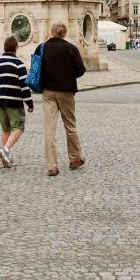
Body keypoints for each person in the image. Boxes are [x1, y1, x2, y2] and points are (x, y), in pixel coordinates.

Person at [38, 22, 86, 177]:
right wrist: (68, 76)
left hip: (48, 91)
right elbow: (80, 69)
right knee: (70, 125)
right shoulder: (71, 48)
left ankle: (52, 166)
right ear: (64, 33)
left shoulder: (41, 48)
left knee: (49, 129)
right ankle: (75, 158)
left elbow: (35, 69)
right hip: (66, 90)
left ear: (51, 32)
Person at [0, 36, 34, 169]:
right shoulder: (19, 64)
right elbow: (24, 86)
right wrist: (29, 103)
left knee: (5, 129)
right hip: (14, 101)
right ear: (15, 48)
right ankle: (6, 149)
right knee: (19, 127)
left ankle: (7, 157)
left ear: (5, 47)